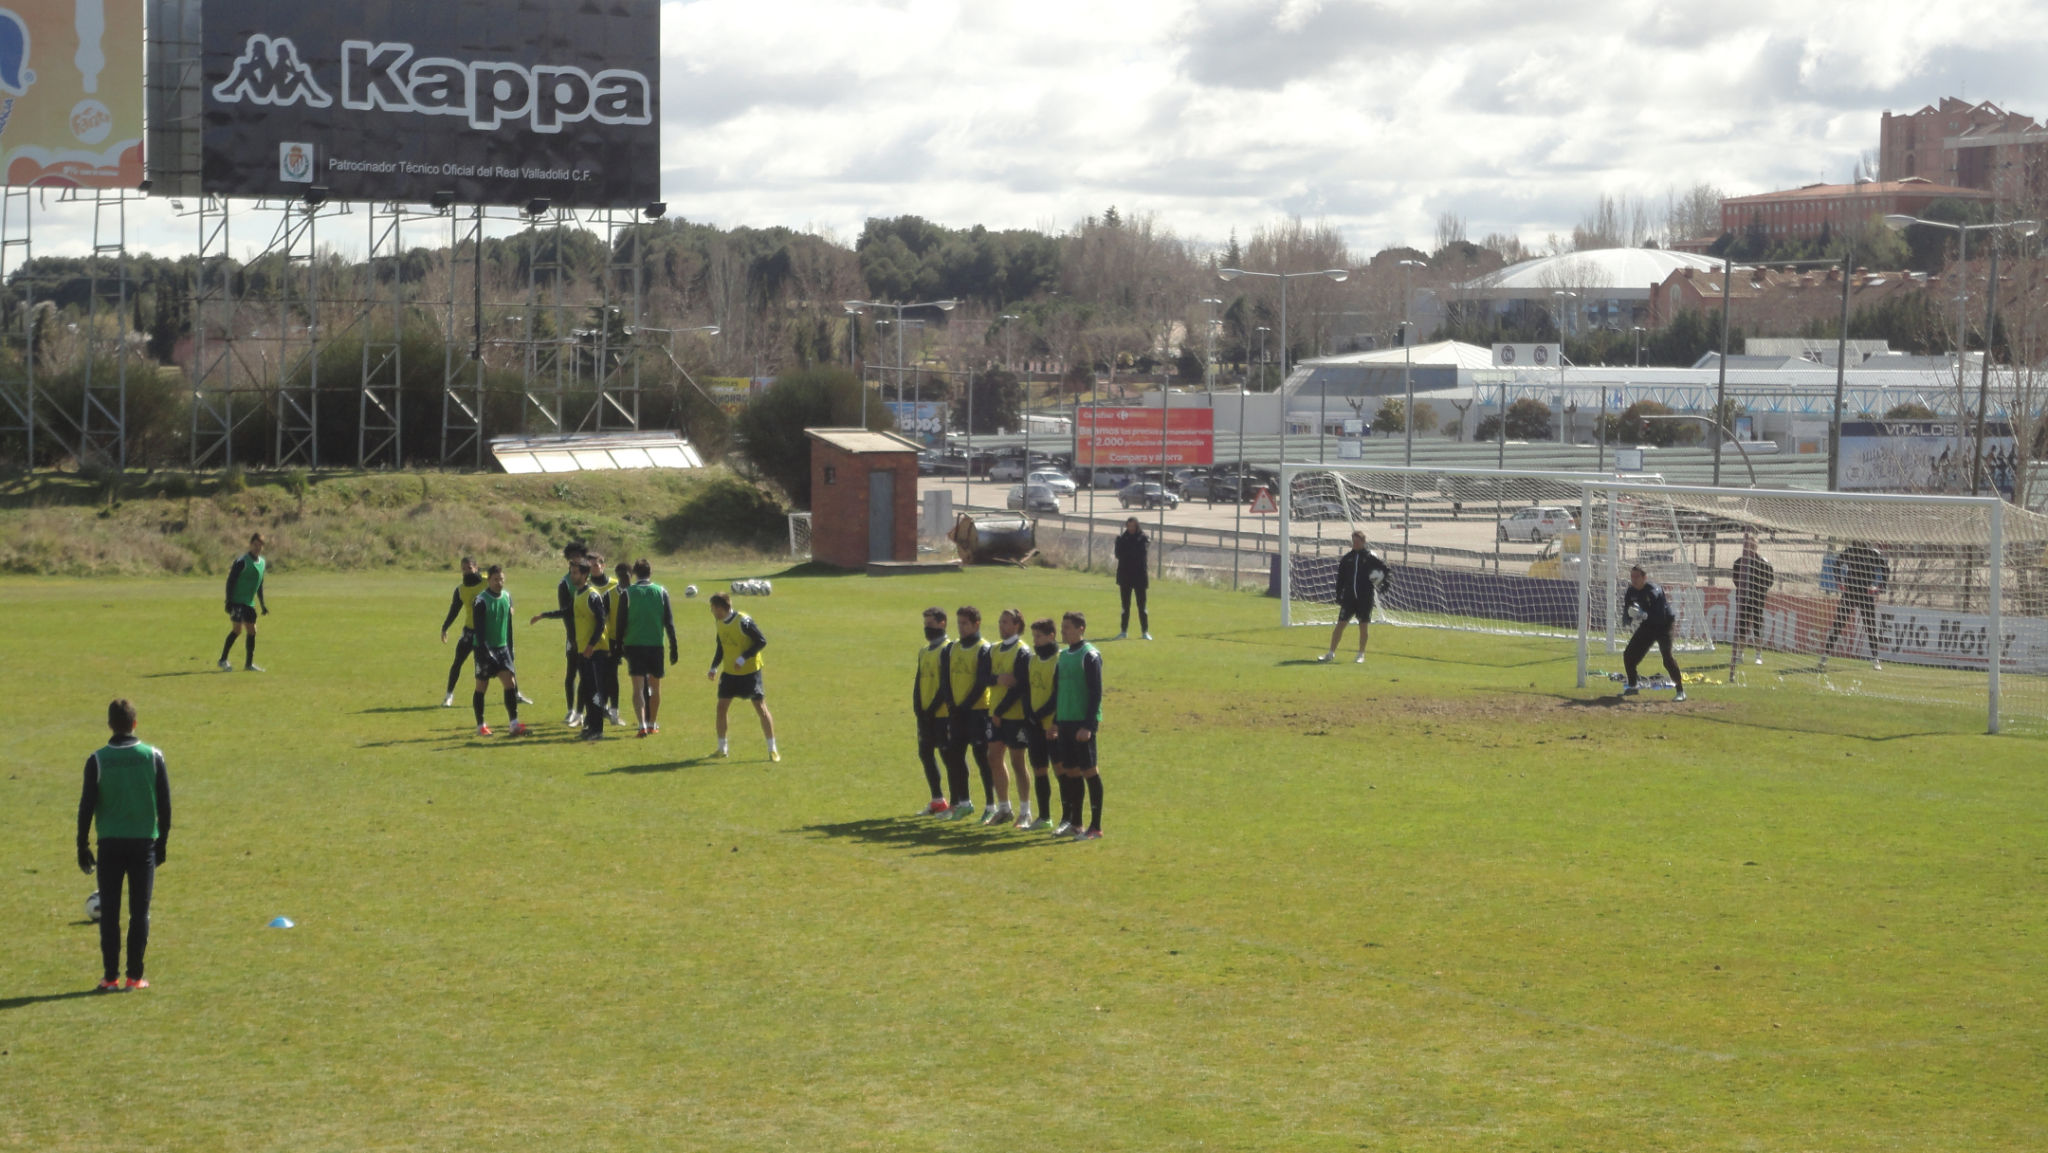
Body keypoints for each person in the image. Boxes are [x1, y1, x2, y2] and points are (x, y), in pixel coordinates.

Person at [76, 698, 170, 991]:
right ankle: (135, 977)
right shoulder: (153, 756)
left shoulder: (97, 760)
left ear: (110, 725)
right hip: (144, 844)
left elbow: (87, 805)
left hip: (109, 845)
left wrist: (82, 844)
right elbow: (165, 805)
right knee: (139, 912)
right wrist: (162, 843)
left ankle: (110, 978)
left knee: (110, 913)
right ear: (135, 723)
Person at [533, 561, 609, 742]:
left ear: (585, 575)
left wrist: (591, 645)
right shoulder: (578, 594)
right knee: (588, 691)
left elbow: (601, 622)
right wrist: (544, 615)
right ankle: (590, 727)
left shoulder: (592, 595)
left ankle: (598, 730)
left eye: (575, 573)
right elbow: (567, 612)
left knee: (595, 692)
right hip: (583, 650)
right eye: (571, 572)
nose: (572, 576)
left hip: (595, 651)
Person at [1051, 610, 1105, 840]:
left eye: (1067, 627)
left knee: (1089, 771)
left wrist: (1089, 725)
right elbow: (1058, 691)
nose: (1063, 632)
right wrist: (1055, 721)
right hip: (1065, 721)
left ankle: (1096, 827)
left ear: (1080, 628)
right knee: (1071, 772)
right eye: (1062, 627)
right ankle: (1076, 824)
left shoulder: (1089, 655)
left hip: (1082, 724)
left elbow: (1096, 692)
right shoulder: (1063, 656)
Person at [707, 591, 778, 761]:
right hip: (729, 673)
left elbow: (761, 641)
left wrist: (743, 657)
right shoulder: (719, 621)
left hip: (750, 673)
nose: (711, 611)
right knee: (721, 707)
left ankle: (772, 749)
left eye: (713, 608)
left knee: (760, 708)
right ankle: (722, 748)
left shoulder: (743, 621)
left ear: (720, 608)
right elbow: (721, 645)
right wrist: (714, 666)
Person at [941, 605, 995, 821]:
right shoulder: (951, 648)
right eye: (959, 623)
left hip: (978, 711)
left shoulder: (984, 649)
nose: (961, 627)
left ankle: (991, 805)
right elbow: (945, 679)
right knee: (955, 755)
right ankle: (964, 803)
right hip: (956, 712)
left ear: (976, 624)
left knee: (982, 758)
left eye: (965, 623)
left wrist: (964, 706)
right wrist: (951, 704)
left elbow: (981, 682)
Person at [615, 558, 680, 737]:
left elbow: (620, 623)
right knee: (655, 688)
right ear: (651, 573)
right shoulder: (661, 592)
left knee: (638, 688)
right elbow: (669, 622)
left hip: (634, 645)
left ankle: (641, 724)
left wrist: (618, 647)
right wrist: (674, 646)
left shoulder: (627, 593)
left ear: (635, 574)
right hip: (655, 645)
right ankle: (652, 724)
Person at [990, 608, 1040, 828]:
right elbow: (982, 677)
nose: (1001, 626)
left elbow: (1019, 687)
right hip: (995, 714)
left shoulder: (1023, 651)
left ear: (1017, 625)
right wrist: (997, 679)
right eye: (1000, 622)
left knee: (1017, 762)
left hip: (1015, 715)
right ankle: (1004, 808)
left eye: (1005, 622)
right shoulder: (993, 649)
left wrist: (1000, 711)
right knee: (993, 757)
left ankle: (1025, 812)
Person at [470, 565, 531, 736]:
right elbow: (479, 630)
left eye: (501, 579)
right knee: (482, 686)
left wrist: (510, 647)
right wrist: (485, 652)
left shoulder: (507, 597)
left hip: (502, 648)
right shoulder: (480, 601)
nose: (499, 583)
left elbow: (508, 626)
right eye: (495, 579)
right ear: (488, 580)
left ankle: (514, 724)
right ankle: (481, 726)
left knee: (510, 683)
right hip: (484, 648)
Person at [1319, 530, 1391, 664]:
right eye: (1353, 541)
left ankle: (1360, 654)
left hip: (1365, 598)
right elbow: (1340, 578)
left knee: (1363, 626)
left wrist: (1385, 582)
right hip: (1349, 598)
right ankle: (1330, 653)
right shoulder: (1347, 558)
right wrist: (1339, 594)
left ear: (1363, 542)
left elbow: (1385, 569)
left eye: (1357, 541)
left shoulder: (1370, 557)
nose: (1355, 544)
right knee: (1340, 625)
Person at [912, 608, 957, 816]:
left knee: (949, 757)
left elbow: (946, 685)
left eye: (930, 624)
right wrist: (918, 708)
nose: (927, 629)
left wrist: (932, 708)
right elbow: (918, 681)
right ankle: (938, 800)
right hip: (925, 714)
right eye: (925, 625)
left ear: (942, 623)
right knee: (925, 753)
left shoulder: (948, 649)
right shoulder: (924, 651)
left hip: (943, 714)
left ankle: (957, 802)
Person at [1619, 564, 1686, 702]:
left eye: (1637, 576)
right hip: (1648, 626)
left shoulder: (1654, 591)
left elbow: (1659, 615)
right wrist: (1627, 618)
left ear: (1644, 578)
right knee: (1628, 655)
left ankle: (1680, 691)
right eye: (1632, 576)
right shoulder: (1631, 592)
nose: (1634, 579)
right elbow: (1627, 612)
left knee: (1667, 659)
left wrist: (1643, 614)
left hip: (1664, 625)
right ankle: (1633, 686)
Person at [1820, 540, 1889, 671]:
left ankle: (1875, 659)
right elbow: (1837, 564)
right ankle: (1825, 656)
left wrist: (1879, 587)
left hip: (1865, 593)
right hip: (1850, 592)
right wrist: (1839, 582)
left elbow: (1886, 569)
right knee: (1838, 625)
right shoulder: (1850, 551)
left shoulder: (1874, 554)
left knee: (1870, 627)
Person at [538, 543, 587, 725]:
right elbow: (566, 612)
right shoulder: (565, 583)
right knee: (571, 672)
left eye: (579, 555)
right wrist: (572, 637)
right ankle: (570, 710)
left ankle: (588, 709)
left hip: (590, 634)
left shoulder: (589, 579)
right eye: (572, 556)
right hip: (574, 634)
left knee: (589, 674)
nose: (576, 558)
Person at [1021, 616, 1063, 830]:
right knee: (1039, 769)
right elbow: (1026, 690)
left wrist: (1041, 715)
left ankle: (1068, 818)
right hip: (1034, 725)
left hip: (1053, 726)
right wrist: (1030, 715)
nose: (1035, 641)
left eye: (1039, 636)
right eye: (1033, 636)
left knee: (1061, 771)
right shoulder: (1033, 660)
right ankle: (1044, 817)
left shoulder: (1059, 660)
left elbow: (1058, 695)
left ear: (1051, 636)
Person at [218, 532, 269, 671]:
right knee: (237, 630)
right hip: (237, 601)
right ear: (250, 544)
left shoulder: (262, 562)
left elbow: (259, 584)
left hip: (249, 603)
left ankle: (249, 664)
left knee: (252, 631)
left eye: (260, 545)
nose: (257, 548)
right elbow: (230, 581)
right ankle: (223, 660)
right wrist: (228, 601)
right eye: (255, 544)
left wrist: (262, 604)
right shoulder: (242, 561)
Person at [439, 556, 487, 706]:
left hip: (487, 633)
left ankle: (515, 693)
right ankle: (449, 695)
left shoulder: (487, 583)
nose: (466, 572)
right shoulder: (460, 590)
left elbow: (502, 594)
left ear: (476, 568)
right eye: (464, 569)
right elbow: (454, 610)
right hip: (469, 631)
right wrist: (445, 627)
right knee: (457, 662)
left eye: (469, 568)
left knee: (503, 663)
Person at [1728, 533, 1775, 673]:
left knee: (1757, 627)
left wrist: (1760, 592)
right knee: (1742, 627)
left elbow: (1770, 580)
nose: (1749, 548)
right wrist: (1743, 590)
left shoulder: (1763, 563)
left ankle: (1758, 655)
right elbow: (1735, 579)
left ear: (1756, 547)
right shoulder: (1739, 562)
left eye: (1752, 545)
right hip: (1743, 599)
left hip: (1757, 600)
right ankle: (1740, 654)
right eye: (1747, 545)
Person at [1112, 518, 1151, 641]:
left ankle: (1145, 632)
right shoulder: (1121, 539)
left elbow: (1140, 554)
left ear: (1137, 526)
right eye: (1129, 526)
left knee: (1142, 606)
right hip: (1125, 576)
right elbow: (1118, 554)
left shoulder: (1143, 539)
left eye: (1133, 526)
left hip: (1139, 576)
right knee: (1125, 606)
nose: (1131, 528)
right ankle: (1123, 631)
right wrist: (1128, 552)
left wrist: (1129, 552)